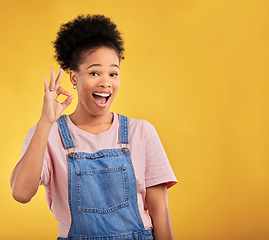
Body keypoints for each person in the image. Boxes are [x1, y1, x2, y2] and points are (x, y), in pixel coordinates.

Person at [10, 14, 177, 240]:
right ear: (74, 77)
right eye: (94, 73)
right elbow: (21, 193)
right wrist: (45, 123)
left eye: (113, 73)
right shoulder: (49, 135)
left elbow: (160, 211)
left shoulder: (142, 132)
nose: (105, 82)